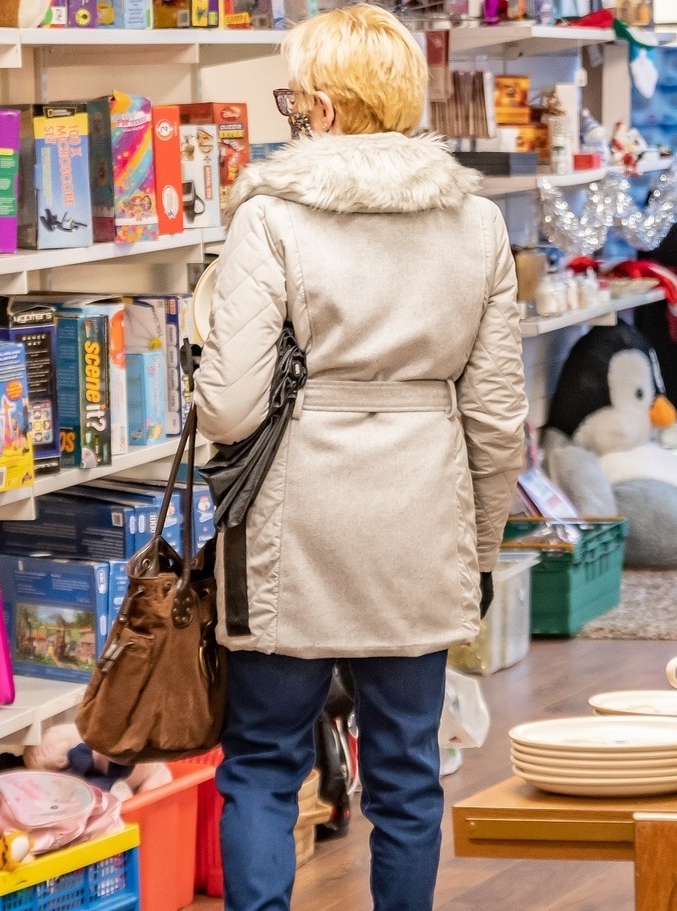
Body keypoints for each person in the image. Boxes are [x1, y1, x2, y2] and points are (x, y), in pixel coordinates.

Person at [191, 6, 526, 911]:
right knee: (409, 770)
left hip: (291, 525)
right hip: (420, 519)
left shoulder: (270, 218)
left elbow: (228, 406)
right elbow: (497, 420)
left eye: (296, 96)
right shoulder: (476, 224)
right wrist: (482, 549)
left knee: (262, 760)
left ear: (327, 109)